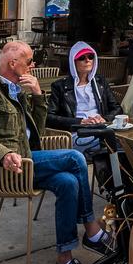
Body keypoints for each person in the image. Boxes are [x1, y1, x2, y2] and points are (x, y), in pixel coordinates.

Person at [0, 40, 109, 264]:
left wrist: (36, 95)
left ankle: (64, 260)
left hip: (28, 161)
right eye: (29, 61)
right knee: (75, 158)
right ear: (13, 64)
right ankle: (92, 230)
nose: (33, 65)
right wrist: (3, 154)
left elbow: (38, 131)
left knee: (68, 182)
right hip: (9, 167)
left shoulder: (16, 91)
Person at [46, 41, 124, 172]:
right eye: (82, 58)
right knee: (115, 144)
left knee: (117, 143)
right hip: (78, 132)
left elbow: (117, 107)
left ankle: (115, 180)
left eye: (91, 57)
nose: (87, 60)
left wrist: (104, 118)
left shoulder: (100, 82)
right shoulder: (60, 86)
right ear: (73, 62)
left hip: (102, 128)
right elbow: (49, 117)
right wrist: (80, 121)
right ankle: (115, 181)